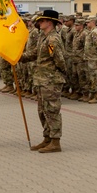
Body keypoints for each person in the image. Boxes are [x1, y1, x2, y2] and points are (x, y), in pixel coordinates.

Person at [21, 9, 68, 153]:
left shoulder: (53, 39)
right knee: (42, 111)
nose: (39, 23)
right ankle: (47, 138)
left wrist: (59, 74)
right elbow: (35, 53)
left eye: (42, 21)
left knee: (52, 111)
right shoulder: (44, 37)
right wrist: (19, 57)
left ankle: (55, 141)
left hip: (51, 80)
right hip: (42, 80)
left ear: (50, 22)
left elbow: (60, 60)